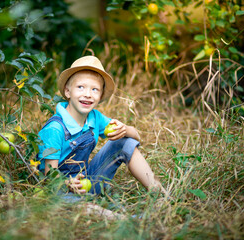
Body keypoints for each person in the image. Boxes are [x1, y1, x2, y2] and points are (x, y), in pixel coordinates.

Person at [37, 55, 165, 195]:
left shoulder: (94, 118)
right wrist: (68, 183)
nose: (88, 94)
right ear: (68, 91)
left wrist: (125, 129)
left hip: (86, 182)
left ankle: (158, 193)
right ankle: (97, 211)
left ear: (101, 95)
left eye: (94, 89)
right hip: (58, 190)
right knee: (92, 209)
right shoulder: (55, 129)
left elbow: (136, 136)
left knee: (124, 141)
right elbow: (49, 179)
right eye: (80, 87)